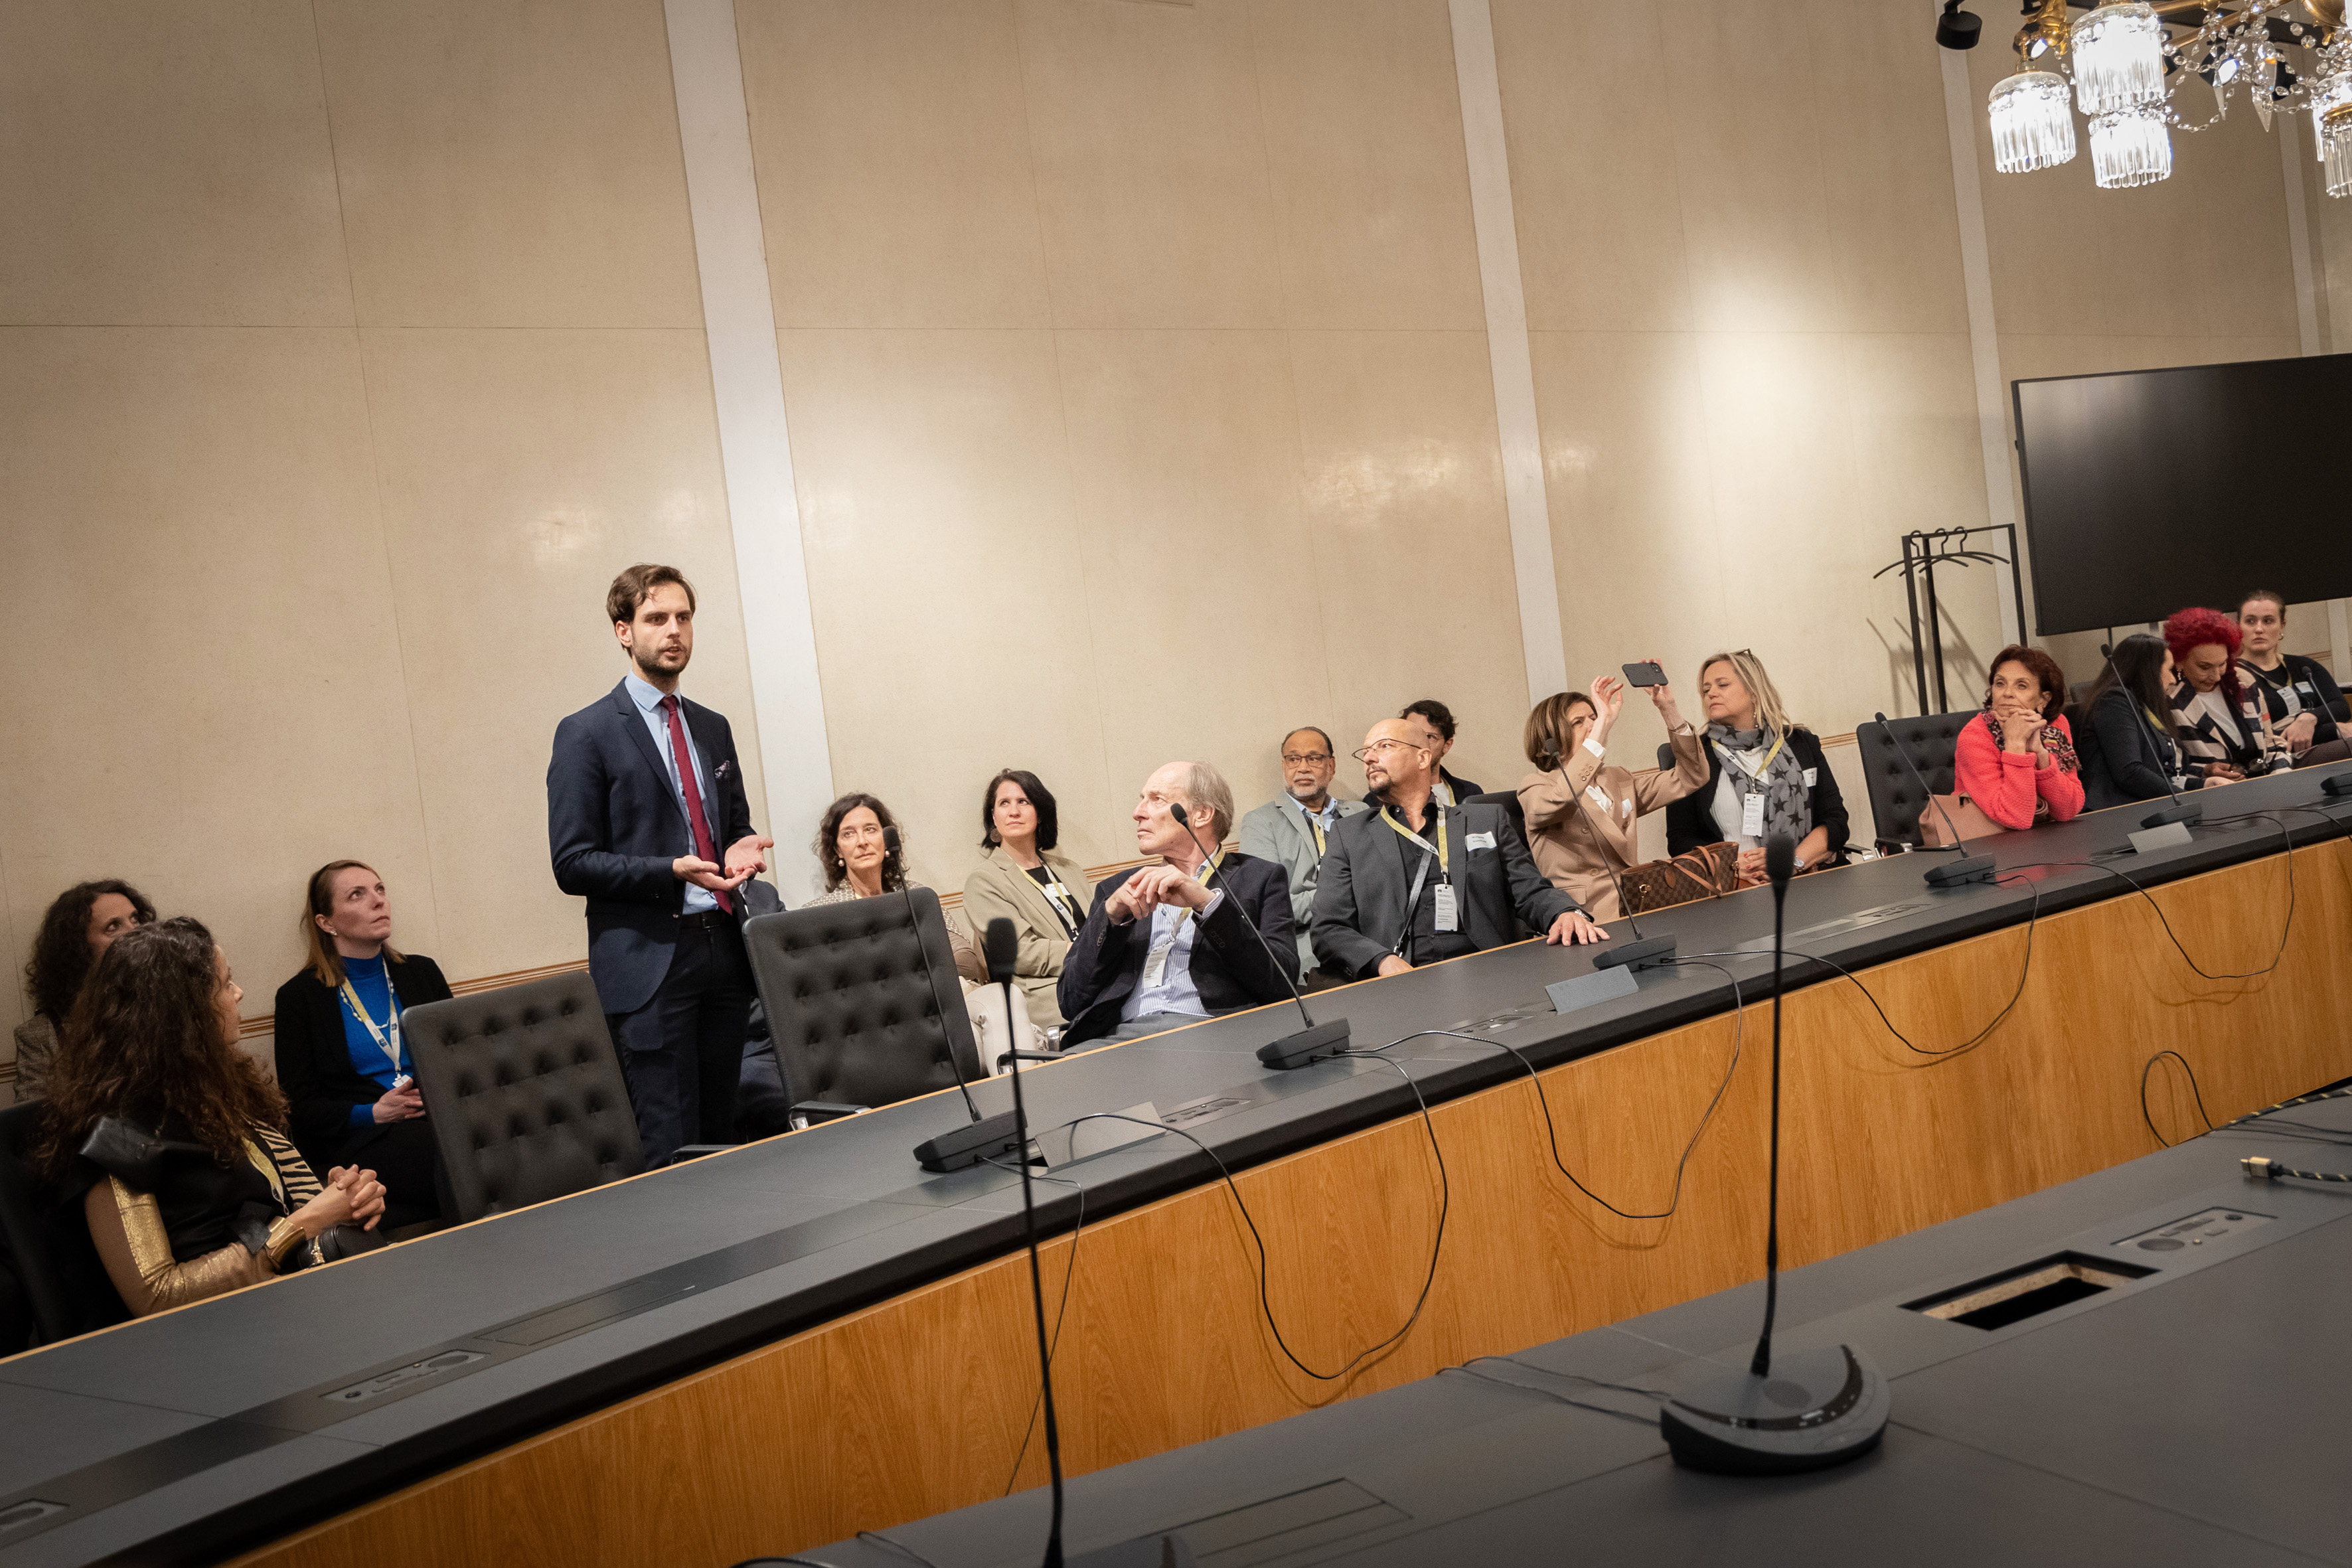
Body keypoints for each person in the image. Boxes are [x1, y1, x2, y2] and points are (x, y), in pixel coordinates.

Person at [37, 919, 386, 1317]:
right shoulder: (117, 1139)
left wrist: (346, 1199)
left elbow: (290, 1204)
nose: (238, 993)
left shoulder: (216, 1092)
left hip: (281, 1303)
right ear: (182, 1013)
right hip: (210, 1333)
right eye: (224, 984)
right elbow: (156, 1297)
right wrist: (303, 1225)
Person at [548, 564, 775, 1166]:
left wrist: (740, 847)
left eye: (683, 617)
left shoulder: (712, 727)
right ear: (624, 631)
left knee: (724, 1140)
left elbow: (733, 826)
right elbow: (572, 863)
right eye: (655, 619)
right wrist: (668, 870)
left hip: (723, 950)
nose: (673, 630)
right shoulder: (586, 733)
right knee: (671, 1149)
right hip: (650, 963)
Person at [1314, 720, 1603, 981]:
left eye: (1384, 746)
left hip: (1488, 973)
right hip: (1402, 984)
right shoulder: (1348, 835)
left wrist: (1564, 912)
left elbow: (1530, 891)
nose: (1369, 758)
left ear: (1423, 758)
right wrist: (1381, 961)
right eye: (1365, 752)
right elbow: (1329, 928)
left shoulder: (1485, 821)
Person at [1058, 762, 1298, 1046]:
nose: (1137, 812)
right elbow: (1070, 1001)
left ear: (1202, 814)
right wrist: (1109, 919)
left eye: (1157, 799)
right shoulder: (1118, 890)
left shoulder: (1260, 878)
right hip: (1120, 1040)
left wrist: (1208, 905)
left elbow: (1282, 985)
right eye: (1142, 799)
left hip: (1215, 1035)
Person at [272, 862, 451, 1232]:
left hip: (439, 1115)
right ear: (327, 923)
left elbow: (458, 1056)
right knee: (453, 1156)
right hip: (364, 1135)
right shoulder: (299, 998)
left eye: (380, 889)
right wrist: (374, 1113)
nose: (378, 901)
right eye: (357, 895)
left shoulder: (422, 972)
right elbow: (300, 1107)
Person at [1517, 670, 1706, 920]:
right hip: (1584, 918)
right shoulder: (1536, 786)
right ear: (1550, 739)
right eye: (1578, 722)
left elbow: (1692, 777)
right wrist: (1599, 731)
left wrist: (1669, 710)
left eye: (1594, 718)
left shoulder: (1618, 778)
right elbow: (1565, 798)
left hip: (1640, 905)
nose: (1593, 725)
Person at [1665, 650, 1849, 882]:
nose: (1711, 693)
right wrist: (1729, 866)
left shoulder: (1801, 744)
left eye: (1723, 685)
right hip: (1733, 886)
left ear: (1753, 691)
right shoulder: (1692, 757)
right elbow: (1680, 839)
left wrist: (1792, 862)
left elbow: (1835, 821)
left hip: (1805, 879)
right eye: (1706, 689)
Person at [963, 770, 1093, 1031]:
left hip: (1095, 973)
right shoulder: (983, 881)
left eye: (1024, 802)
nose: (1014, 811)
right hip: (1050, 993)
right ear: (993, 817)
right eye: (1004, 803)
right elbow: (1021, 953)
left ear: (1040, 812)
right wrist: (1085, 951)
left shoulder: (1069, 869)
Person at [808, 793, 985, 984]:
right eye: (848, 834)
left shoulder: (915, 895)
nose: (862, 842)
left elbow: (966, 961)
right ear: (838, 850)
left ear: (886, 839)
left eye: (870, 829)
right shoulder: (820, 912)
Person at [1237, 727, 1368, 979]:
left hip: (1372, 941)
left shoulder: (1360, 813)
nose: (1303, 768)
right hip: (1309, 954)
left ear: (1331, 766)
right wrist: (1344, 896)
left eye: (1314, 758)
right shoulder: (1261, 822)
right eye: (1293, 759)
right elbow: (1268, 908)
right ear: (1284, 766)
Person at [13, 880, 154, 1102]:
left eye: (135, 919)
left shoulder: (167, 1005)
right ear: (80, 949)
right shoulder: (43, 1034)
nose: (136, 933)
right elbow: (33, 1118)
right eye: (113, 927)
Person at [1952, 646, 2084, 831]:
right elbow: (2014, 818)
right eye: (2000, 683)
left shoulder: (2054, 727)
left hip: (2044, 836)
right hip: (1989, 841)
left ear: (2043, 699)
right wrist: (2015, 746)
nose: (2007, 693)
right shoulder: (1975, 735)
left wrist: (2041, 756)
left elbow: (2069, 809)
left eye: (2021, 686)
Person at [2161, 606, 2283, 784]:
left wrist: (2282, 773)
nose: (2217, 676)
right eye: (2205, 667)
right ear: (2179, 660)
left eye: (2222, 664)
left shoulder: (2244, 682)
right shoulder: (2168, 699)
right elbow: (2171, 771)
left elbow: (2272, 745)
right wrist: (2205, 774)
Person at [2073, 633, 2190, 810]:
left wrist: (2203, 784)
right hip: (2114, 813)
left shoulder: (2144, 706)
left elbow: (2161, 773)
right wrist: (2186, 798)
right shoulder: (2114, 701)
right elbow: (2129, 773)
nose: (2174, 679)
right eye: (2169, 670)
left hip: (2145, 808)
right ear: (2149, 671)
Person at [2237, 590, 2351, 767]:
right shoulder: (2234, 677)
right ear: (2239, 626)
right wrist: (2333, 729)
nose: (2259, 629)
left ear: (2282, 625)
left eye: (2268, 621)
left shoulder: (2304, 666)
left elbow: (2340, 707)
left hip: (2326, 747)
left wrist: (2309, 718)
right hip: (2279, 758)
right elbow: (2254, 738)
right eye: (2250, 621)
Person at [1400, 700, 1484, 803]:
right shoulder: (1384, 792)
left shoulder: (1470, 794)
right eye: (1411, 734)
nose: (1418, 743)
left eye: (1429, 737)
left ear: (1446, 746)